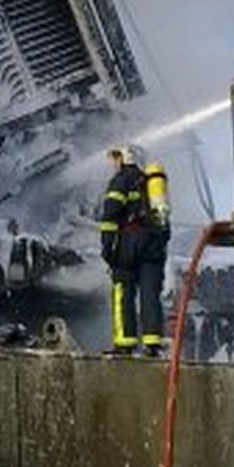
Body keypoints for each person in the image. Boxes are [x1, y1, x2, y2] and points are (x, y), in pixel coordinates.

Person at [98, 144, 150, 355]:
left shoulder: (120, 180)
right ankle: (151, 344)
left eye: (117, 158)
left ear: (126, 158)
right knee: (147, 292)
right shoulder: (147, 181)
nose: (114, 163)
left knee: (122, 290)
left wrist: (107, 245)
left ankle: (124, 343)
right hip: (148, 243)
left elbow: (110, 215)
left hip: (127, 241)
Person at [137, 159, 171, 355]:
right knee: (151, 296)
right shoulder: (160, 202)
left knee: (143, 295)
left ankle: (147, 342)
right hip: (156, 253)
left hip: (148, 253)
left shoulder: (145, 195)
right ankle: (152, 342)